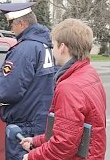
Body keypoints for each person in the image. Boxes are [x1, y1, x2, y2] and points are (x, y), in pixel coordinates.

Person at [21, 18, 106, 160]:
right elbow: (70, 129)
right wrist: (36, 141)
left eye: (53, 45)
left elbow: (63, 145)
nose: (52, 50)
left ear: (62, 47)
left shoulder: (69, 87)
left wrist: (31, 157)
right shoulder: (89, 73)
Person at [0, 2, 56, 160]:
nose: (11, 30)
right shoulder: (44, 46)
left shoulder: (24, 50)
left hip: (25, 129)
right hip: (41, 122)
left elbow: (6, 93)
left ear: (21, 23)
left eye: (11, 25)